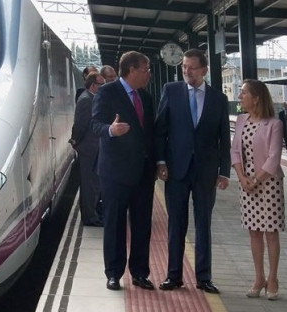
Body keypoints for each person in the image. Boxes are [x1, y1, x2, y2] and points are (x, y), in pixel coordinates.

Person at [154, 48, 230, 294]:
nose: (186, 71)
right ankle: (173, 276)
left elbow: (223, 139)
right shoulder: (171, 90)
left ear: (204, 70)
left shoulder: (218, 99)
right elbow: (160, 130)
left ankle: (204, 277)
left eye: (192, 67)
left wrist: (224, 171)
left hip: (206, 171)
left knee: (204, 224)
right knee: (176, 223)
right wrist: (161, 161)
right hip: (176, 169)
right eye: (184, 67)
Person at [91, 50, 156, 291]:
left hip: (142, 173)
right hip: (115, 173)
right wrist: (110, 130)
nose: (149, 74)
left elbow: (151, 134)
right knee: (115, 223)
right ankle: (113, 273)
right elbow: (95, 123)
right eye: (146, 69)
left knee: (142, 224)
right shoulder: (107, 92)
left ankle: (140, 272)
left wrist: (158, 162)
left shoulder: (146, 98)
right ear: (131, 70)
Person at [230, 79, 285, 301]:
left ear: (256, 98)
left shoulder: (274, 124)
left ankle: (273, 278)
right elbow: (235, 151)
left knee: (270, 233)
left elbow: (274, 157)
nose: (240, 97)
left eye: (243, 93)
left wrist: (255, 179)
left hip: (268, 184)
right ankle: (258, 277)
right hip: (247, 184)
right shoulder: (242, 120)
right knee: (254, 232)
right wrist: (242, 178)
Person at [70, 72, 105, 226]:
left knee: (94, 184)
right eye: (101, 85)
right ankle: (90, 218)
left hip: (93, 148)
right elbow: (80, 125)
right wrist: (76, 141)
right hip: (89, 149)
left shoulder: (91, 98)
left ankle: (93, 214)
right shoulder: (86, 100)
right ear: (93, 85)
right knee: (89, 185)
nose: (103, 87)